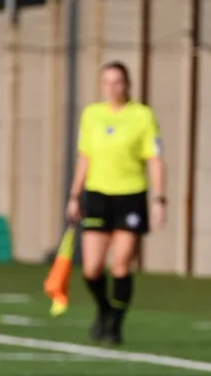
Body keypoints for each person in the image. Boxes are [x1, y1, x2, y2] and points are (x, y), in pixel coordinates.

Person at [65, 61, 166, 345]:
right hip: (97, 195)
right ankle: (103, 308)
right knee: (92, 268)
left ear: (127, 84)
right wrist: (74, 195)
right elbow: (84, 157)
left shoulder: (142, 116)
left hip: (130, 195)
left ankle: (116, 326)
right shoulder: (92, 115)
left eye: (118, 82)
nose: (113, 88)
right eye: (107, 82)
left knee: (121, 265)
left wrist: (159, 198)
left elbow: (155, 158)